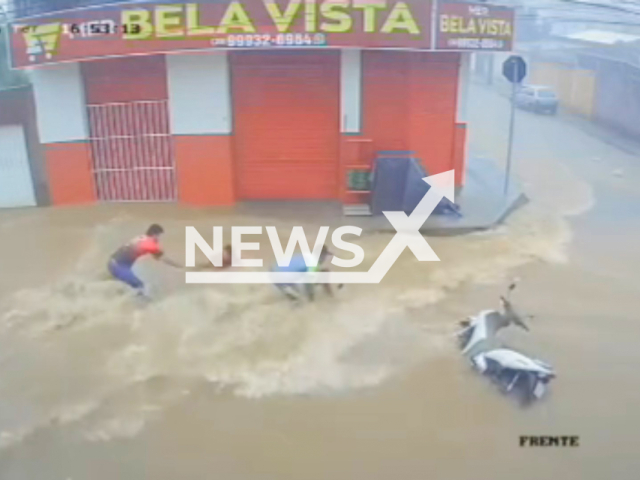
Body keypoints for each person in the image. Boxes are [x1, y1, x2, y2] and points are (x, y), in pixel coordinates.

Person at [108, 224, 182, 297]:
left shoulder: (141, 237)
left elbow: (155, 255)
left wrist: (157, 252)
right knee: (140, 286)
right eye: (159, 236)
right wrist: (179, 266)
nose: (159, 239)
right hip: (118, 266)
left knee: (127, 285)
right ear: (155, 234)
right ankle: (139, 307)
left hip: (113, 262)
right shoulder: (151, 245)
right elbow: (162, 258)